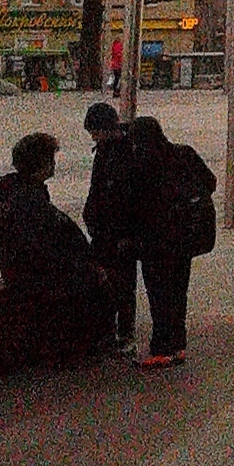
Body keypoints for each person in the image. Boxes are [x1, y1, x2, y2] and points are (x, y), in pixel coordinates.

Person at [0, 133, 112, 362]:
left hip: (31, 271)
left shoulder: (20, 196)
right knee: (97, 284)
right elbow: (45, 250)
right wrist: (85, 265)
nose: (54, 164)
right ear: (40, 164)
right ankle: (75, 346)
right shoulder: (29, 203)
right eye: (50, 159)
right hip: (38, 276)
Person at [127, 115, 217, 367]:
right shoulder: (183, 153)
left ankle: (162, 348)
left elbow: (134, 202)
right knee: (178, 291)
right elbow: (210, 182)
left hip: (155, 240)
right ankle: (178, 345)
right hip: (184, 237)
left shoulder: (143, 163)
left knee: (158, 295)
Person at [82, 101, 139, 354]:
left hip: (119, 232)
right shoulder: (105, 151)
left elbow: (126, 196)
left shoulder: (125, 152)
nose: (94, 137)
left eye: (95, 132)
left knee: (123, 284)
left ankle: (125, 332)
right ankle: (108, 330)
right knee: (107, 283)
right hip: (103, 230)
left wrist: (127, 233)